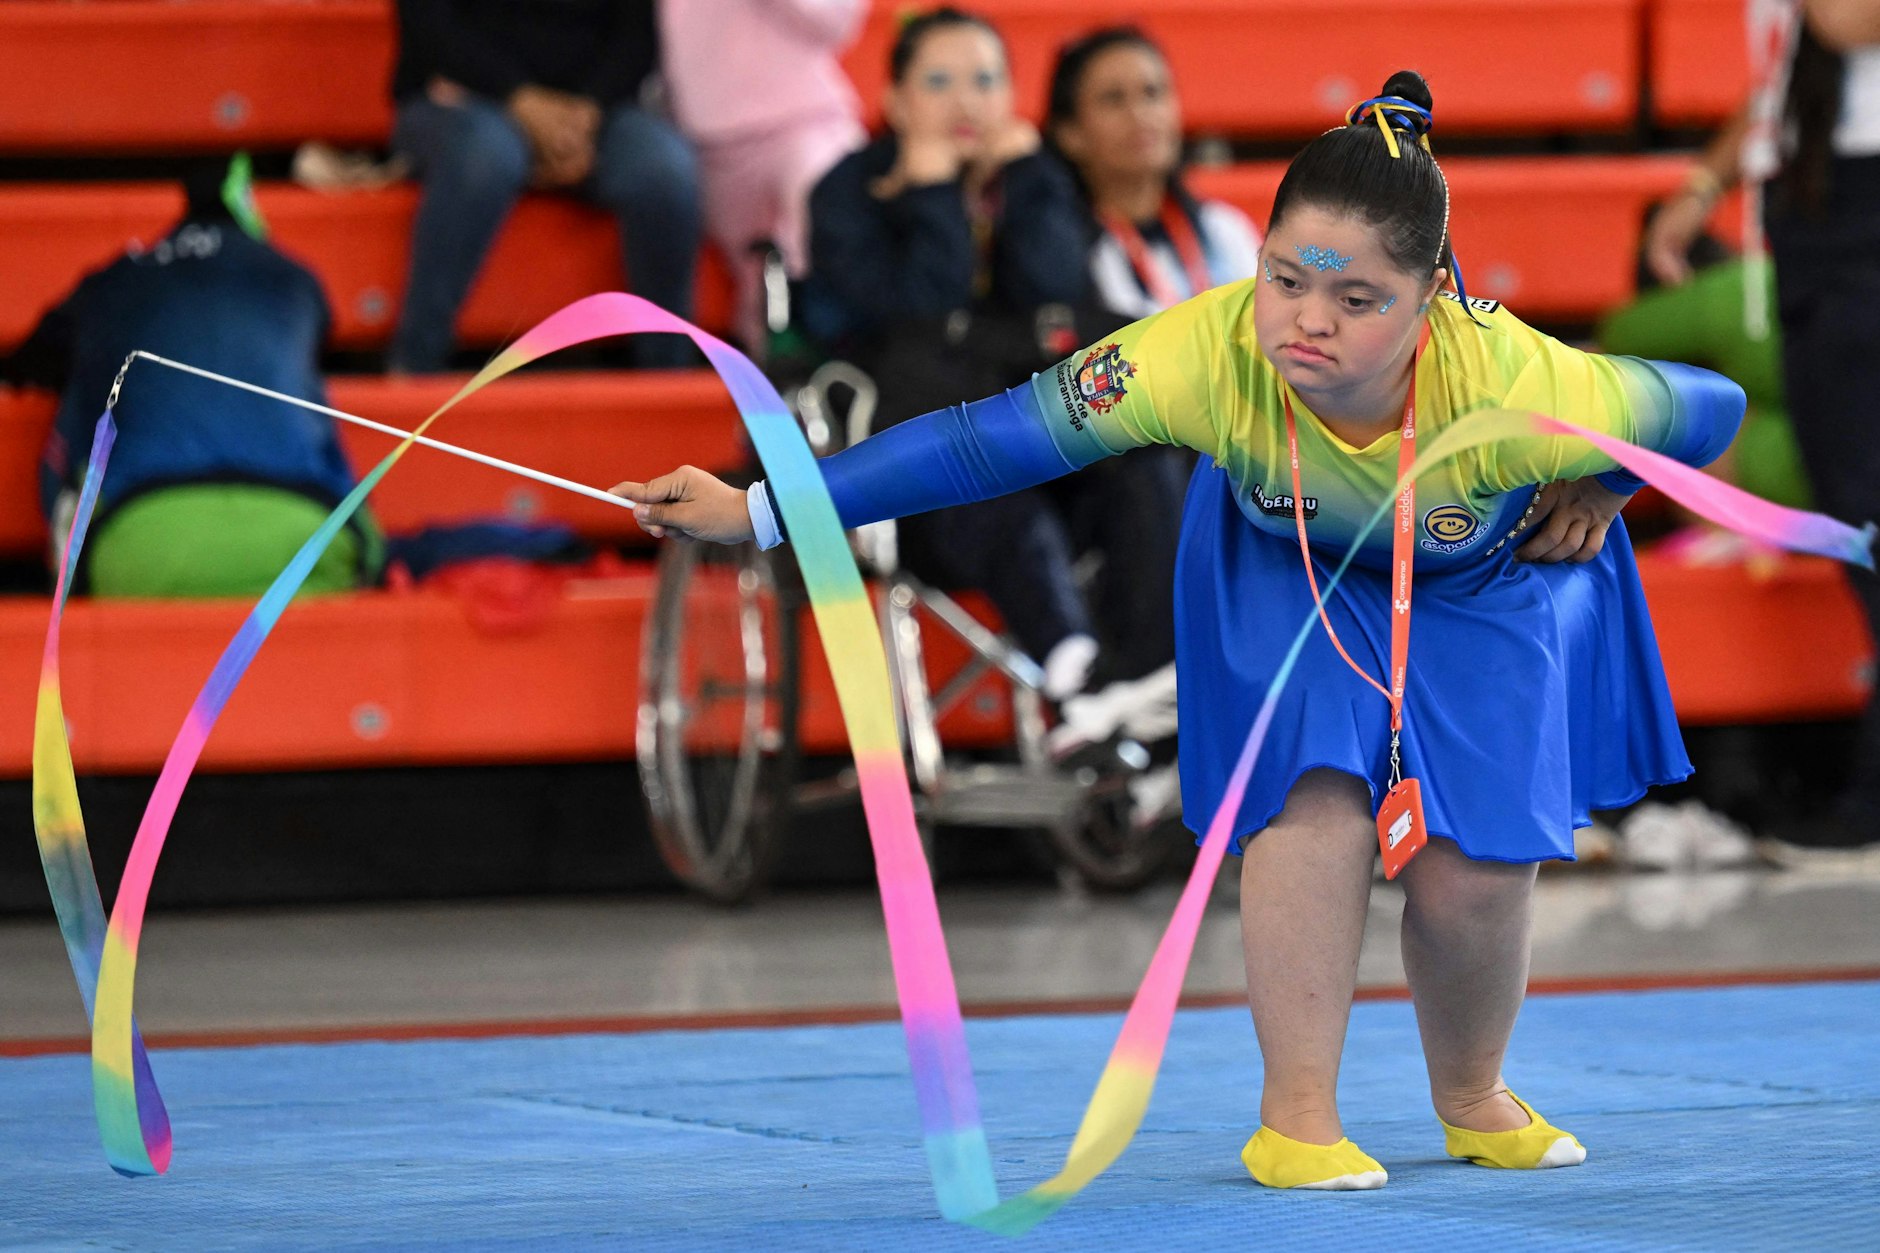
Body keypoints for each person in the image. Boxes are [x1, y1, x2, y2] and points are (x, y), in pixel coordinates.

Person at [613, 71, 1749, 1189]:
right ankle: (1295, 1117)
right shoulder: (1198, 353)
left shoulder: (1521, 379)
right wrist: (761, 507)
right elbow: (980, 441)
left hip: (1471, 587)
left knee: (1475, 877)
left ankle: (1469, 1095)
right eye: (1284, 278)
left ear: (1431, 297)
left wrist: (1607, 480)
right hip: (1284, 568)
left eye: (1356, 300)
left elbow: (1712, 408)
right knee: (1314, 802)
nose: (1306, 321)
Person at [806, 7, 1183, 749]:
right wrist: (933, 196)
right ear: (896, 103)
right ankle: (1074, 666)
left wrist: (1023, 182)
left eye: (985, 81)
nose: (966, 102)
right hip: (914, 476)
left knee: (1147, 460)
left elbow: (1056, 296)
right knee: (982, 464)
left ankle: (1150, 680)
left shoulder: (1035, 180)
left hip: (1039, 447)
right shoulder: (847, 195)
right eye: (939, 82)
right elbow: (917, 311)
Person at [1644, 0, 1880, 865]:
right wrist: (1707, 183)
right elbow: (1784, 76)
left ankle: (1872, 798)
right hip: (1814, 205)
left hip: (1863, 209)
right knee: (1851, 509)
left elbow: (1852, 23)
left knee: (1868, 514)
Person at [2, 157, 381, 597]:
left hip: (140, 546)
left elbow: (28, 364)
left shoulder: (114, 279)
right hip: (306, 538)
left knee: (88, 384)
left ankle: (62, 584)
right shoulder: (294, 278)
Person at [387, 0, 700, 371]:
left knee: (665, 170)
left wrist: (586, 113)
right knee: (487, 156)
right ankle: (414, 366)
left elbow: (636, 37)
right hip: (460, 98)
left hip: (592, 112)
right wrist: (522, 101)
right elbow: (429, 25)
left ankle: (668, 381)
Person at [659, 0, 867, 354]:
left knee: (832, 235)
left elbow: (838, 22)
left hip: (807, 122)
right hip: (708, 141)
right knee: (761, 299)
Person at [1046, 25, 1264, 320]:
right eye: (1113, 98)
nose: (1140, 113)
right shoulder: (1060, 252)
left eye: (1153, 92)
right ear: (1069, 133)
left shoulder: (1224, 228)